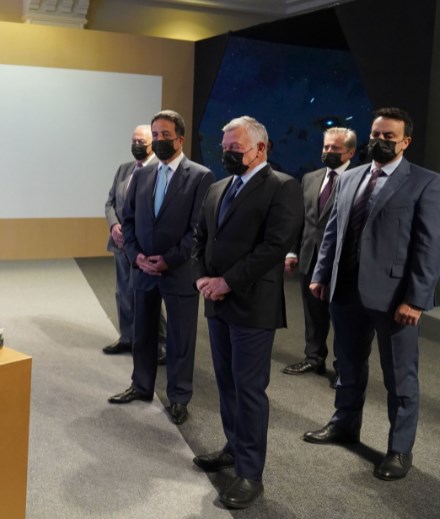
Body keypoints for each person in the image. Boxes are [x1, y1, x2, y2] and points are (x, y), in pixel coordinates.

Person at [303, 107, 440, 481]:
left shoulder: (425, 182)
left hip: (395, 299)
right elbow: (332, 231)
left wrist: (416, 299)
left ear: (405, 142)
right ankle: (344, 424)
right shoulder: (351, 178)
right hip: (345, 290)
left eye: (388, 137)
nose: (379, 141)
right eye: (376, 134)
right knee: (347, 365)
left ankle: (399, 449)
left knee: (400, 377)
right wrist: (321, 274)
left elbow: (429, 247)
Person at [191, 116, 302, 509]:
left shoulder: (283, 187)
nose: (227, 154)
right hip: (216, 300)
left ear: (260, 149)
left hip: (253, 304)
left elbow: (274, 246)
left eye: (235, 148)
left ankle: (251, 474)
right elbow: (201, 238)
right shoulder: (217, 188)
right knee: (226, 382)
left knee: (249, 389)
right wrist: (202, 278)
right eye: (224, 148)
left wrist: (227, 282)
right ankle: (233, 447)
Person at [107, 111, 213, 426]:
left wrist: (169, 259)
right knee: (142, 333)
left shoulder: (201, 176)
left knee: (180, 340)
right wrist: (136, 255)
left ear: (180, 138)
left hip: (178, 272)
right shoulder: (142, 174)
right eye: (155, 135)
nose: (159, 140)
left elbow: (198, 230)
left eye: (166, 134)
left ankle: (179, 397)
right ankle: (141, 386)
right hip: (142, 269)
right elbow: (128, 220)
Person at [283, 127, 357, 385]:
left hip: (341, 261)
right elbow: (302, 219)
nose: (328, 152)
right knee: (313, 312)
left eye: (335, 148)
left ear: (350, 152)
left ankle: (343, 369)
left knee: (341, 316)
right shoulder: (310, 178)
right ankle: (314, 358)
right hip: (309, 255)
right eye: (326, 147)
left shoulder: (358, 180)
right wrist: (292, 251)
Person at [103, 125, 167, 362]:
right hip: (121, 244)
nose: (136, 145)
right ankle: (127, 337)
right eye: (134, 141)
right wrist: (114, 226)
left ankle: (160, 343)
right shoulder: (124, 169)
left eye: (141, 141)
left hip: (144, 246)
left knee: (150, 296)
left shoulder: (160, 169)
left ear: (152, 144)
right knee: (123, 293)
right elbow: (110, 202)